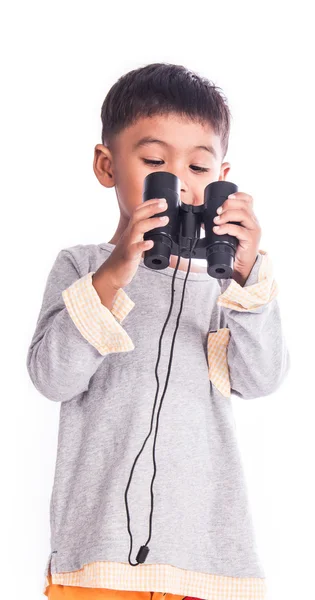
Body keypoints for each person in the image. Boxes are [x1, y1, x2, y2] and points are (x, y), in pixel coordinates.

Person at [26, 62, 291, 600]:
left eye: (199, 168)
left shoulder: (224, 287)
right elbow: (53, 378)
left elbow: (260, 379)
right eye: (154, 161)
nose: (182, 183)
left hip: (207, 562)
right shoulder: (82, 268)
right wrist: (116, 271)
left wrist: (245, 276)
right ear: (106, 165)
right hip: (98, 562)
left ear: (220, 180)